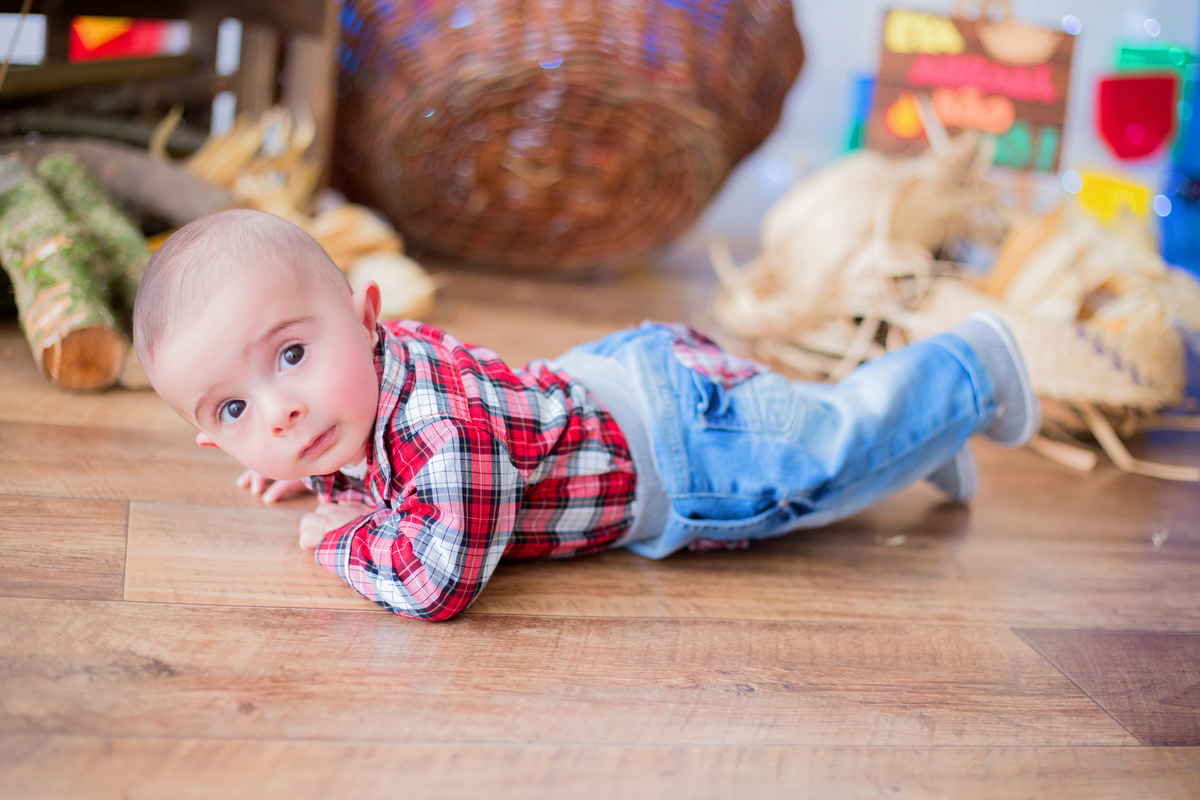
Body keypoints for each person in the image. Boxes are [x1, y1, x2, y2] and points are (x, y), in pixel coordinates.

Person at [134, 209, 1040, 621]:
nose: (285, 410)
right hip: (618, 391)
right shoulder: (352, 399)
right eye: (239, 407)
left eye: (292, 355)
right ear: (210, 439)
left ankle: (969, 370)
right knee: (812, 424)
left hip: (677, 448)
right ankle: (930, 435)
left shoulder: (443, 427)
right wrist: (311, 467)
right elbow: (342, 440)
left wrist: (338, 534)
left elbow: (435, 582)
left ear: (367, 314)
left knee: (822, 460)